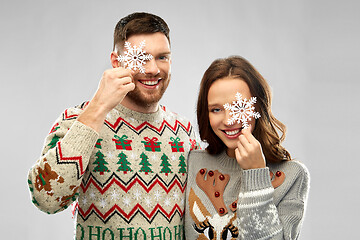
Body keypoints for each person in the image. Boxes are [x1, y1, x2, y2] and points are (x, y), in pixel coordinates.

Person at [28, 12, 199, 239]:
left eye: (162, 57)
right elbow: (46, 199)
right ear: (116, 62)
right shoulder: (77, 120)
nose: (153, 69)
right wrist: (98, 106)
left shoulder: (183, 130)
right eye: (141, 57)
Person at [184, 56, 310, 239]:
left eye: (239, 106)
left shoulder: (293, 176)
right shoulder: (193, 162)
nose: (228, 120)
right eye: (216, 110)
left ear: (259, 106)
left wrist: (256, 174)